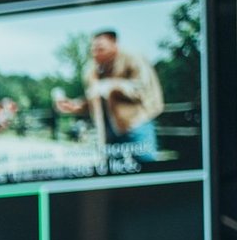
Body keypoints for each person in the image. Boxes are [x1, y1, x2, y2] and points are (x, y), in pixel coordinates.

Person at [55, 29, 165, 164]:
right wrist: (75, 106)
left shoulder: (133, 58)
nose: (96, 52)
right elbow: (93, 98)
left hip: (136, 125)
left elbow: (143, 89)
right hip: (108, 132)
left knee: (146, 167)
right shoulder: (93, 70)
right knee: (113, 171)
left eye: (100, 48)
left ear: (114, 44)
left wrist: (113, 86)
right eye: (93, 48)